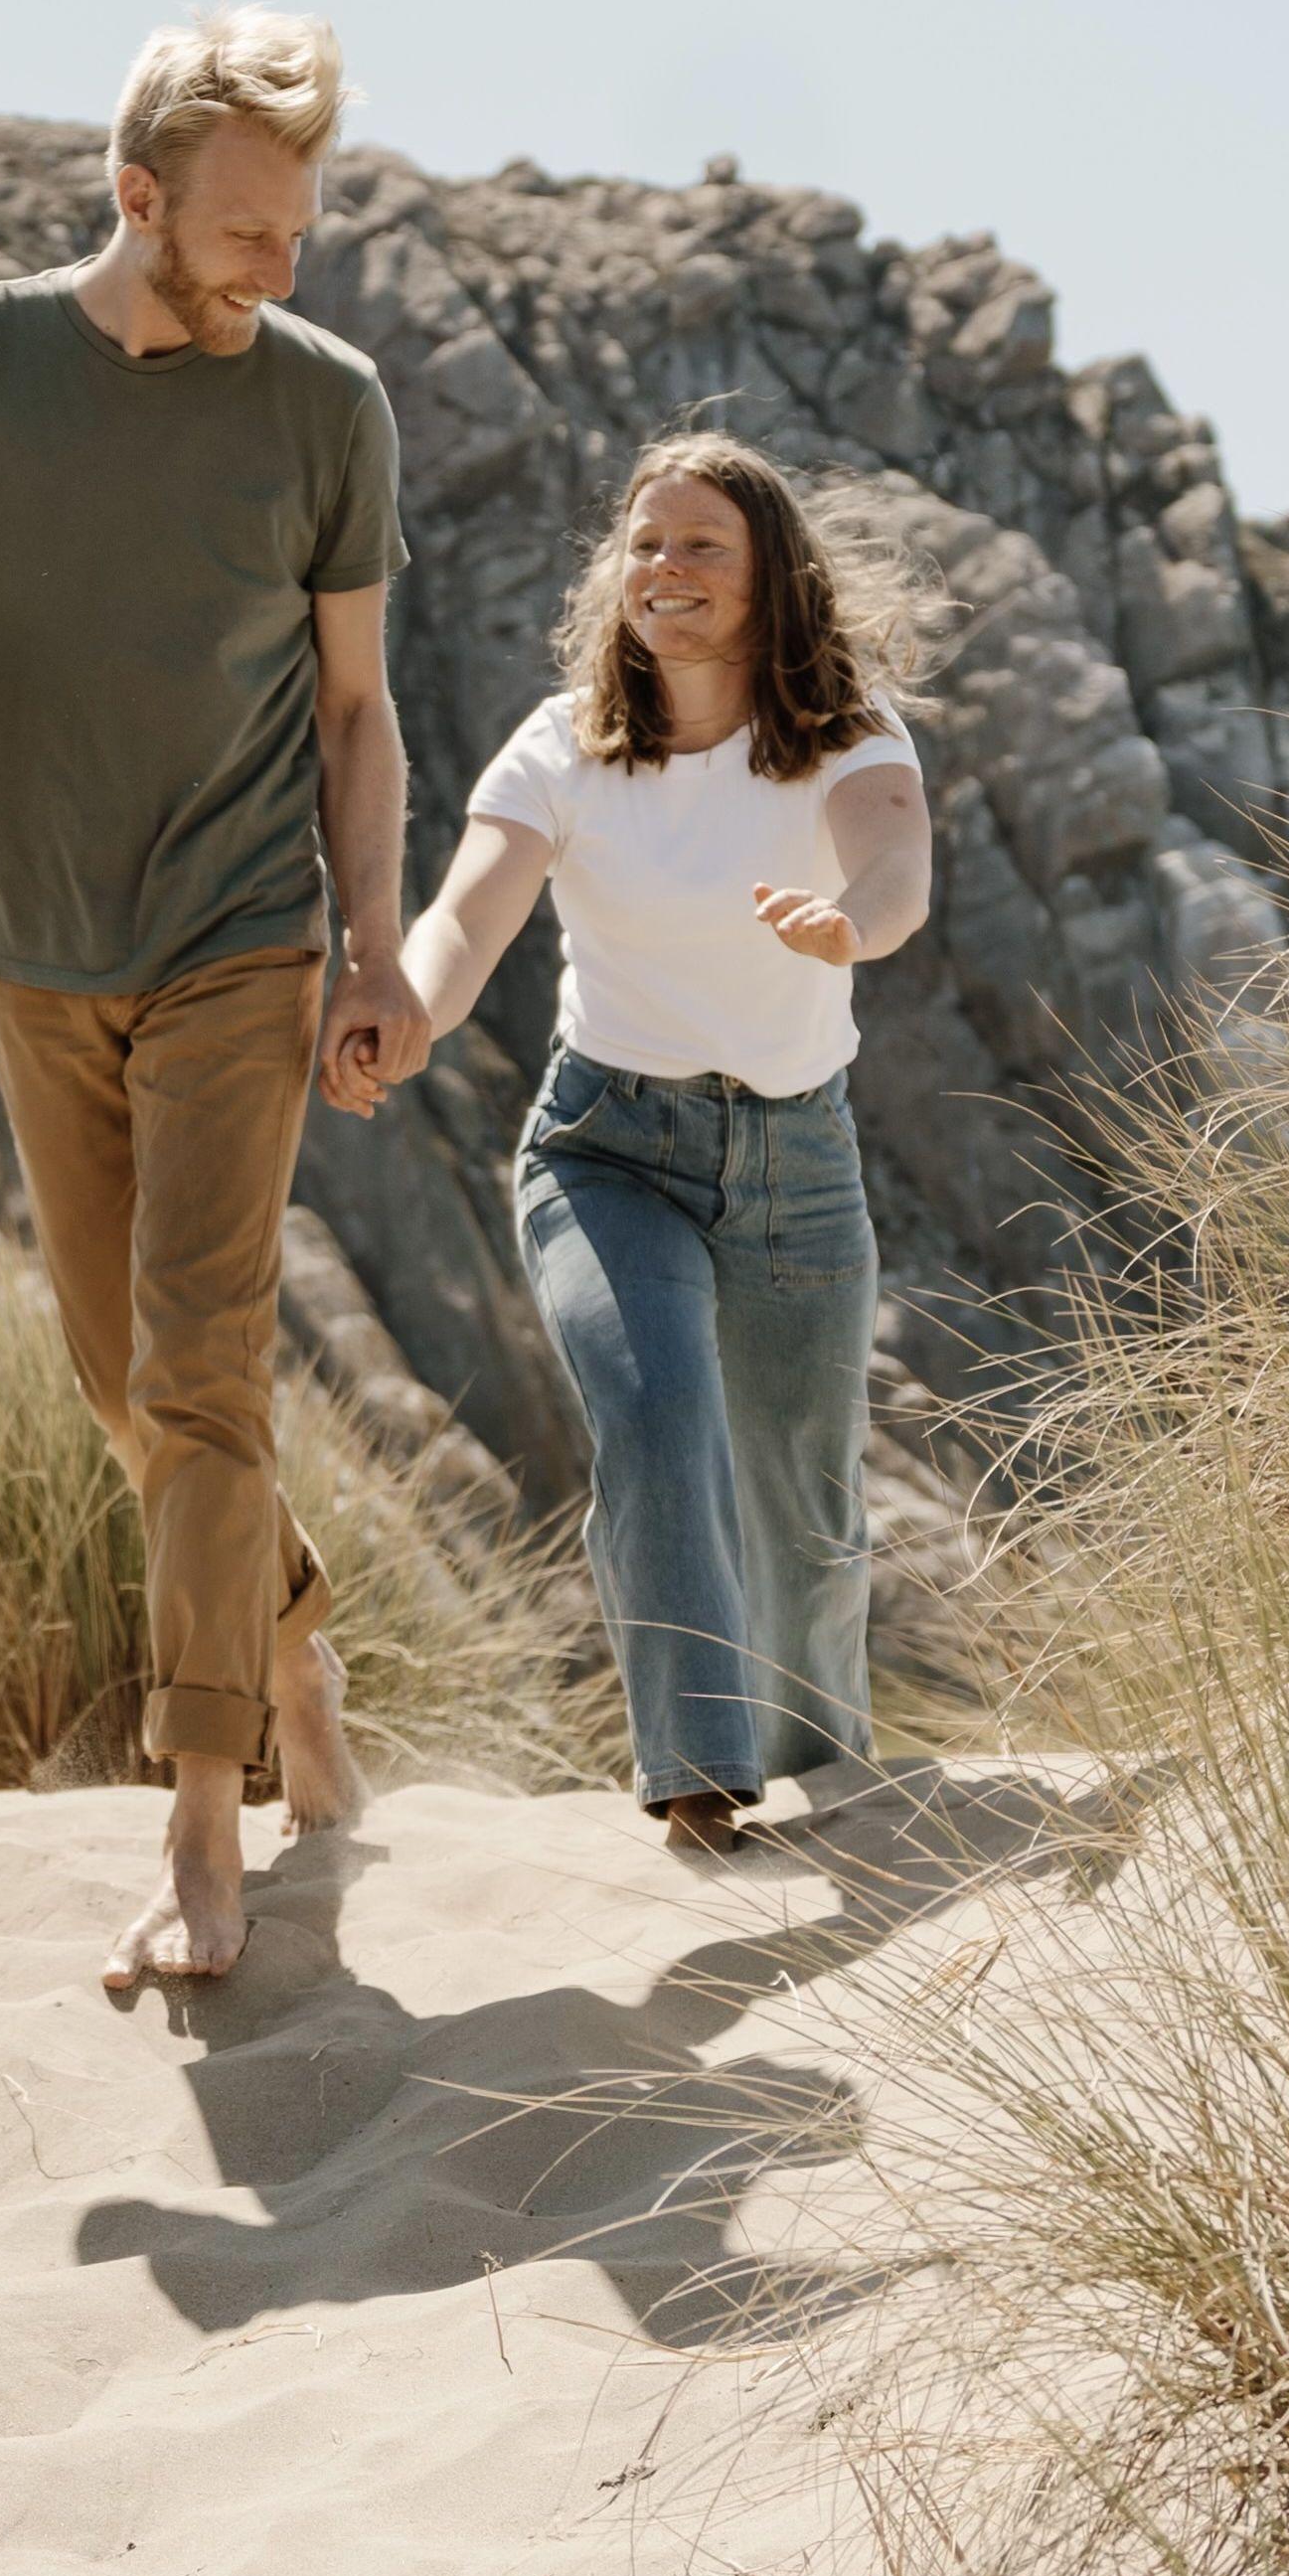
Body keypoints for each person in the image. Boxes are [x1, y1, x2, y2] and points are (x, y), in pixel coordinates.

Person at [0, 6, 415, 1996]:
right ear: (138, 196)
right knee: (124, 1385)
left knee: (203, 1369)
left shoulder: (329, 406)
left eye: (299, 229)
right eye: (247, 230)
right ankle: (288, 1648)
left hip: (240, 936)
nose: (281, 264)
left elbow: (359, 711)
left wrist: (373, 944)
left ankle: (204, 1835)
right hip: (32, 945)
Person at [379, 435, 931, 1852]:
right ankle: (696, 1780)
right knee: (657, 1417)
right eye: (646, 543)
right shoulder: (562, 744)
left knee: (805, 1508)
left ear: (770, 577)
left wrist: (846, 927)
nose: (666, 569)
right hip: (604, 1148)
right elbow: (465, 918)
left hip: (796, 1160)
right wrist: (409, 1011)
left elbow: (894, 864)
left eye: (703, 546)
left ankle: (824, 1776)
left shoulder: (848, 731)